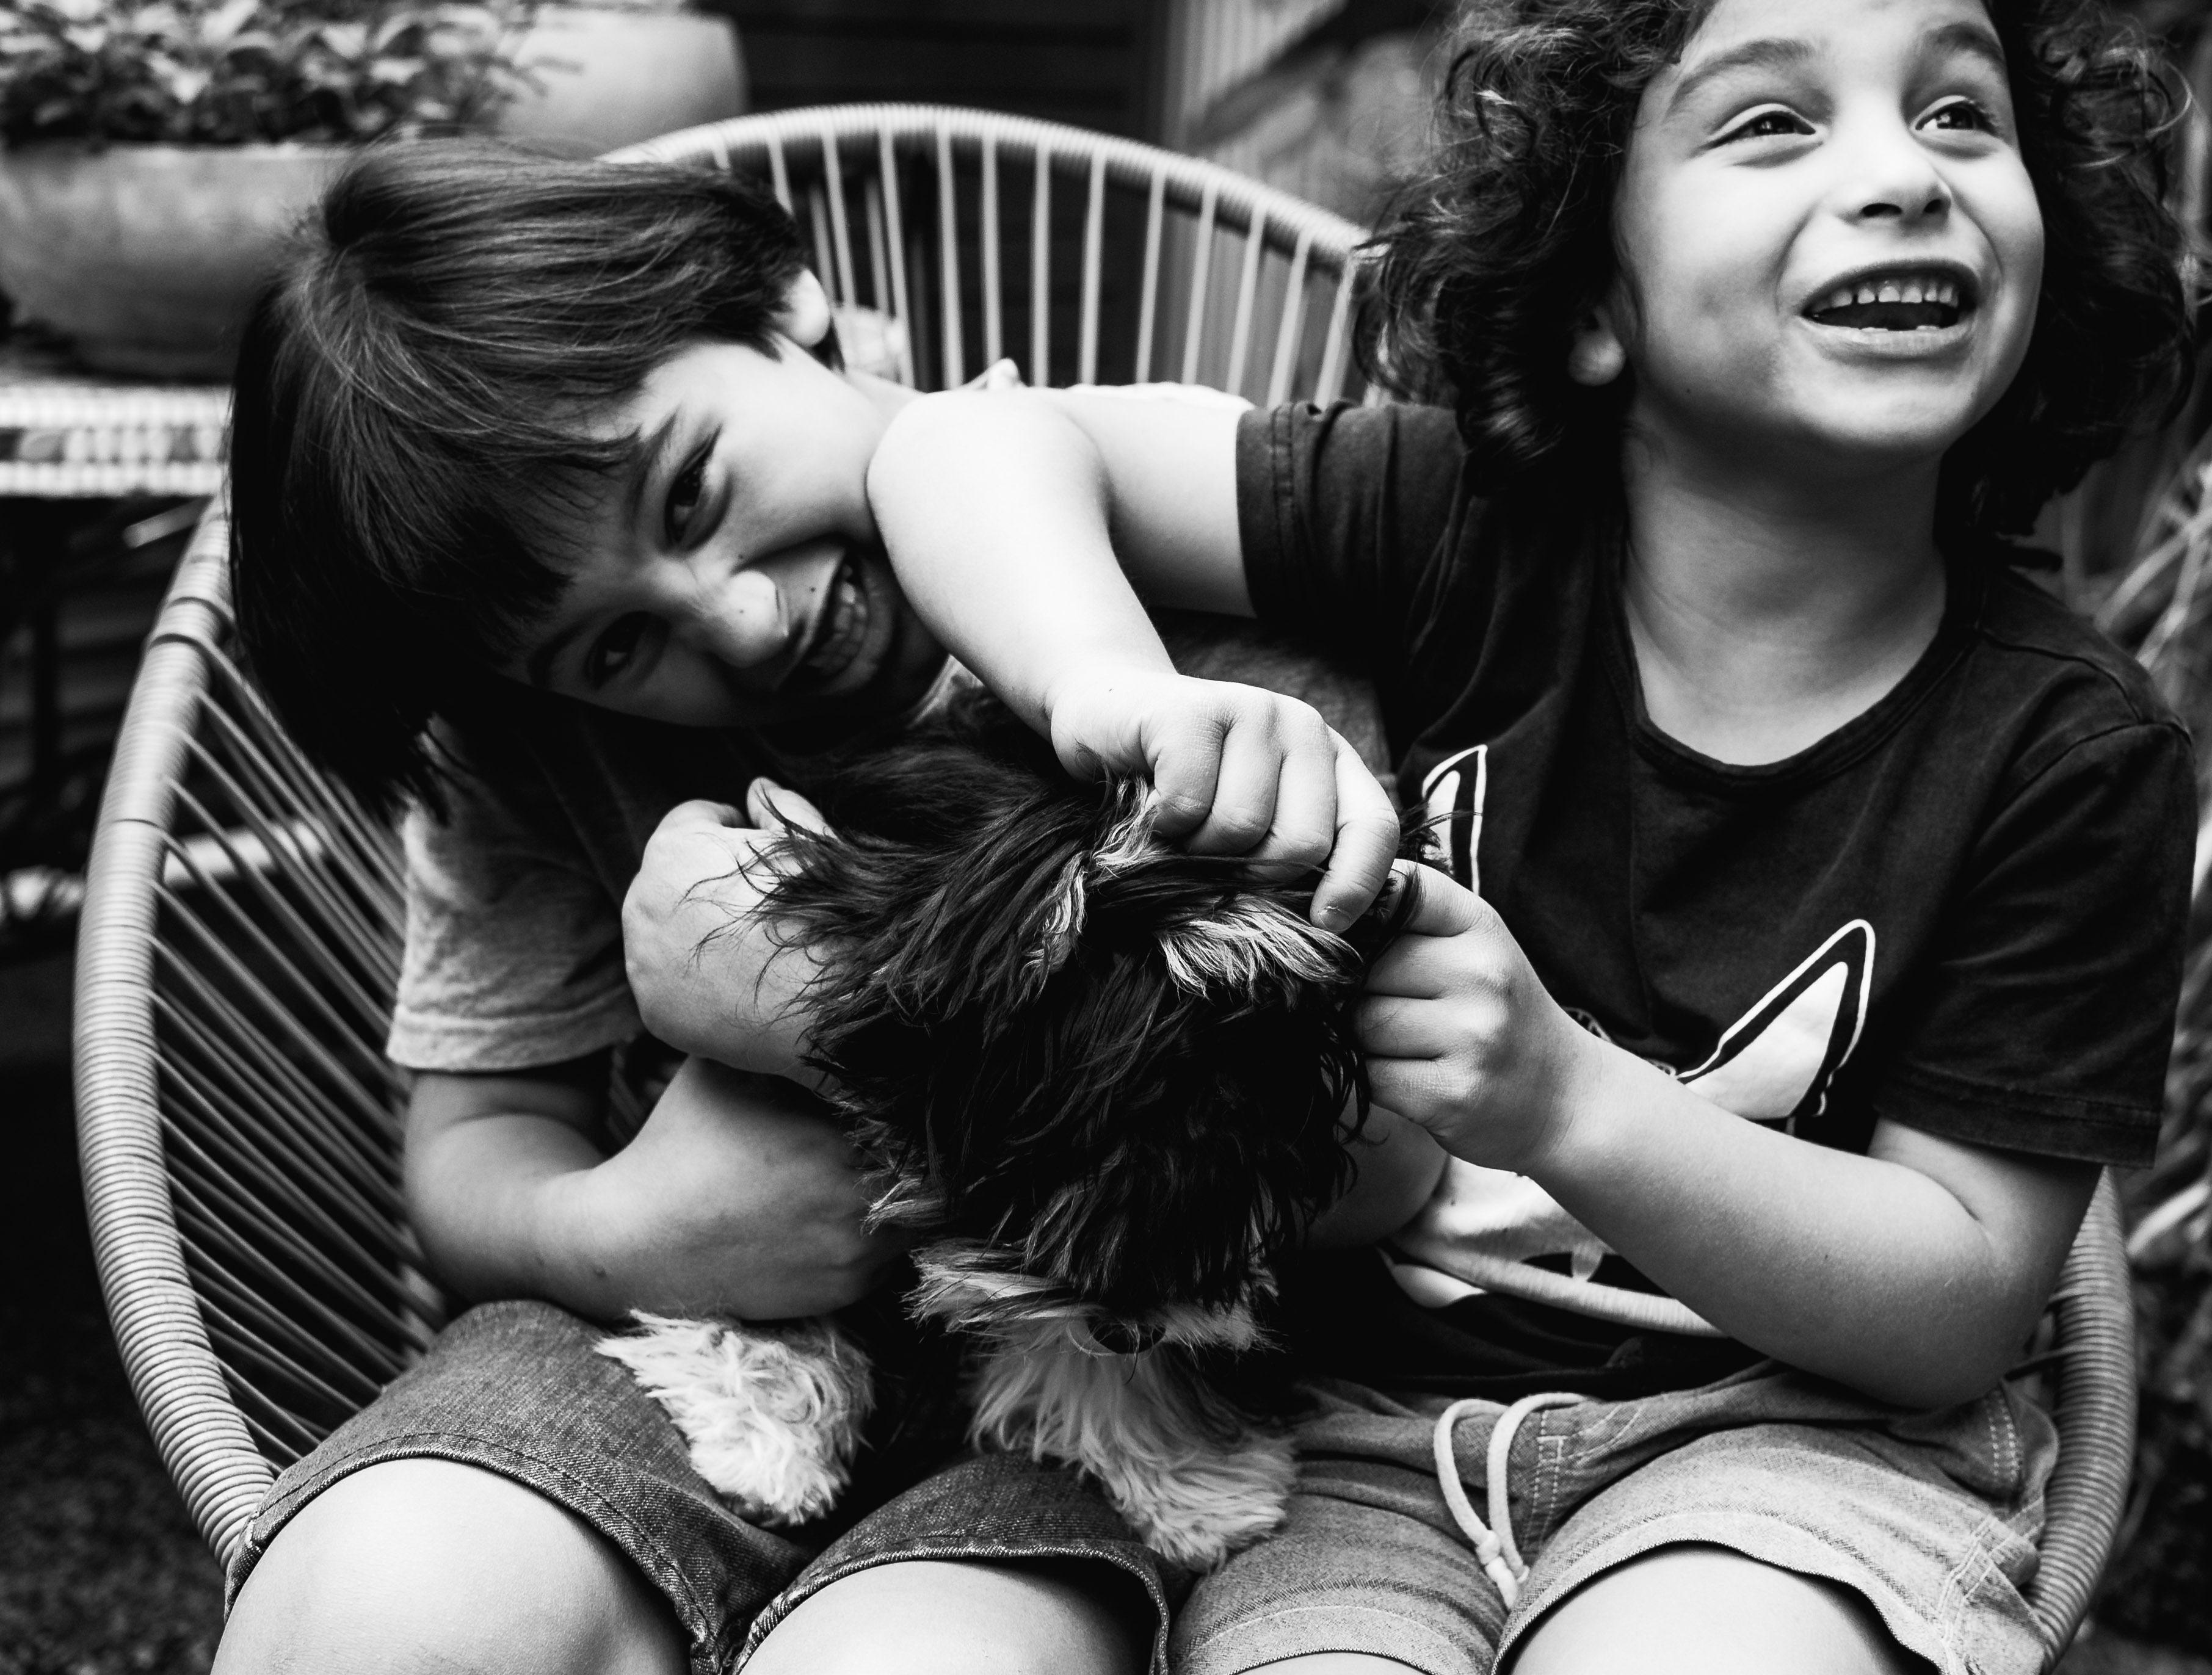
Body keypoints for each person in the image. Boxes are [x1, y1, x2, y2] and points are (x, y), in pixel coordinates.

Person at [647, 0, 2201, 1675]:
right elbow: (973, 441)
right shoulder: (1453, 522)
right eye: (1775, 126)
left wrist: (1572, 1105)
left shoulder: (2067, 753)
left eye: (1961, 112)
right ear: (1589, 300)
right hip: (1343, 1445)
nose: (1902, 170)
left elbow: (1960, 1297)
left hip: (1791, 1453)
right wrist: (1114, 689)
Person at [211, 143, 1412, 1675]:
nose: (743, 617)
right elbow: (472, 1154)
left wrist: (793, 994)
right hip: (671, 1334)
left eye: (695, 488)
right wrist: (629, 1224)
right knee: (390, 1605)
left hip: (1120, 1384)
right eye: (614, 649)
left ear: (788, 306)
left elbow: (1378, 1164)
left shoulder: (1183, 598)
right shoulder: (536, 748)